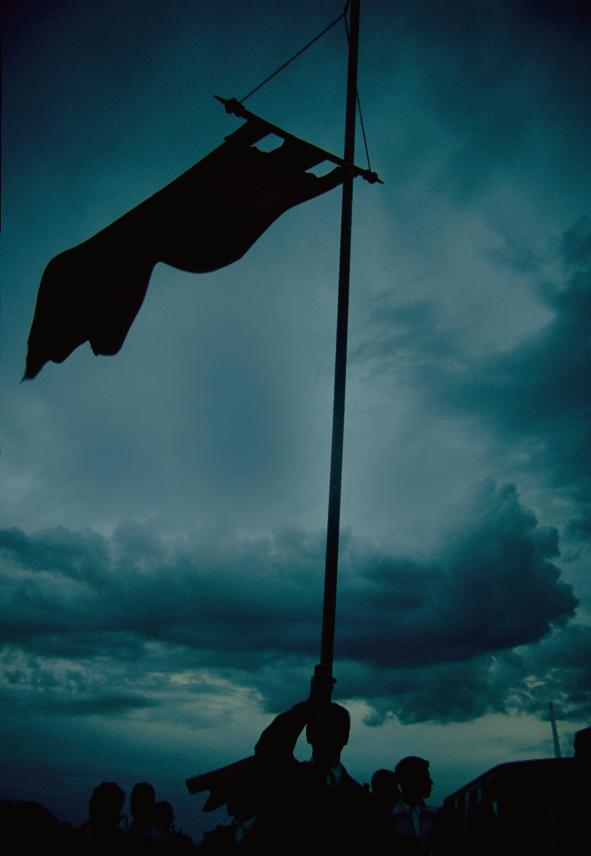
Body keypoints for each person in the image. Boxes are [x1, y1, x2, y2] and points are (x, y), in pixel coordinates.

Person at [253, 664, 375, 854]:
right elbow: (269, 748)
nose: (328, 735)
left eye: (335, 729)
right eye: (323, 728)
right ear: (309, 734)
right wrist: (311, 704)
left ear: (345, 737)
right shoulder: (290, 780)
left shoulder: (360, 799)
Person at [391, 756, 440, 855]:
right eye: (425, 777)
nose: (430, 782)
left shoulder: (438, 816)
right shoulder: (437, 817)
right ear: (411, 780)